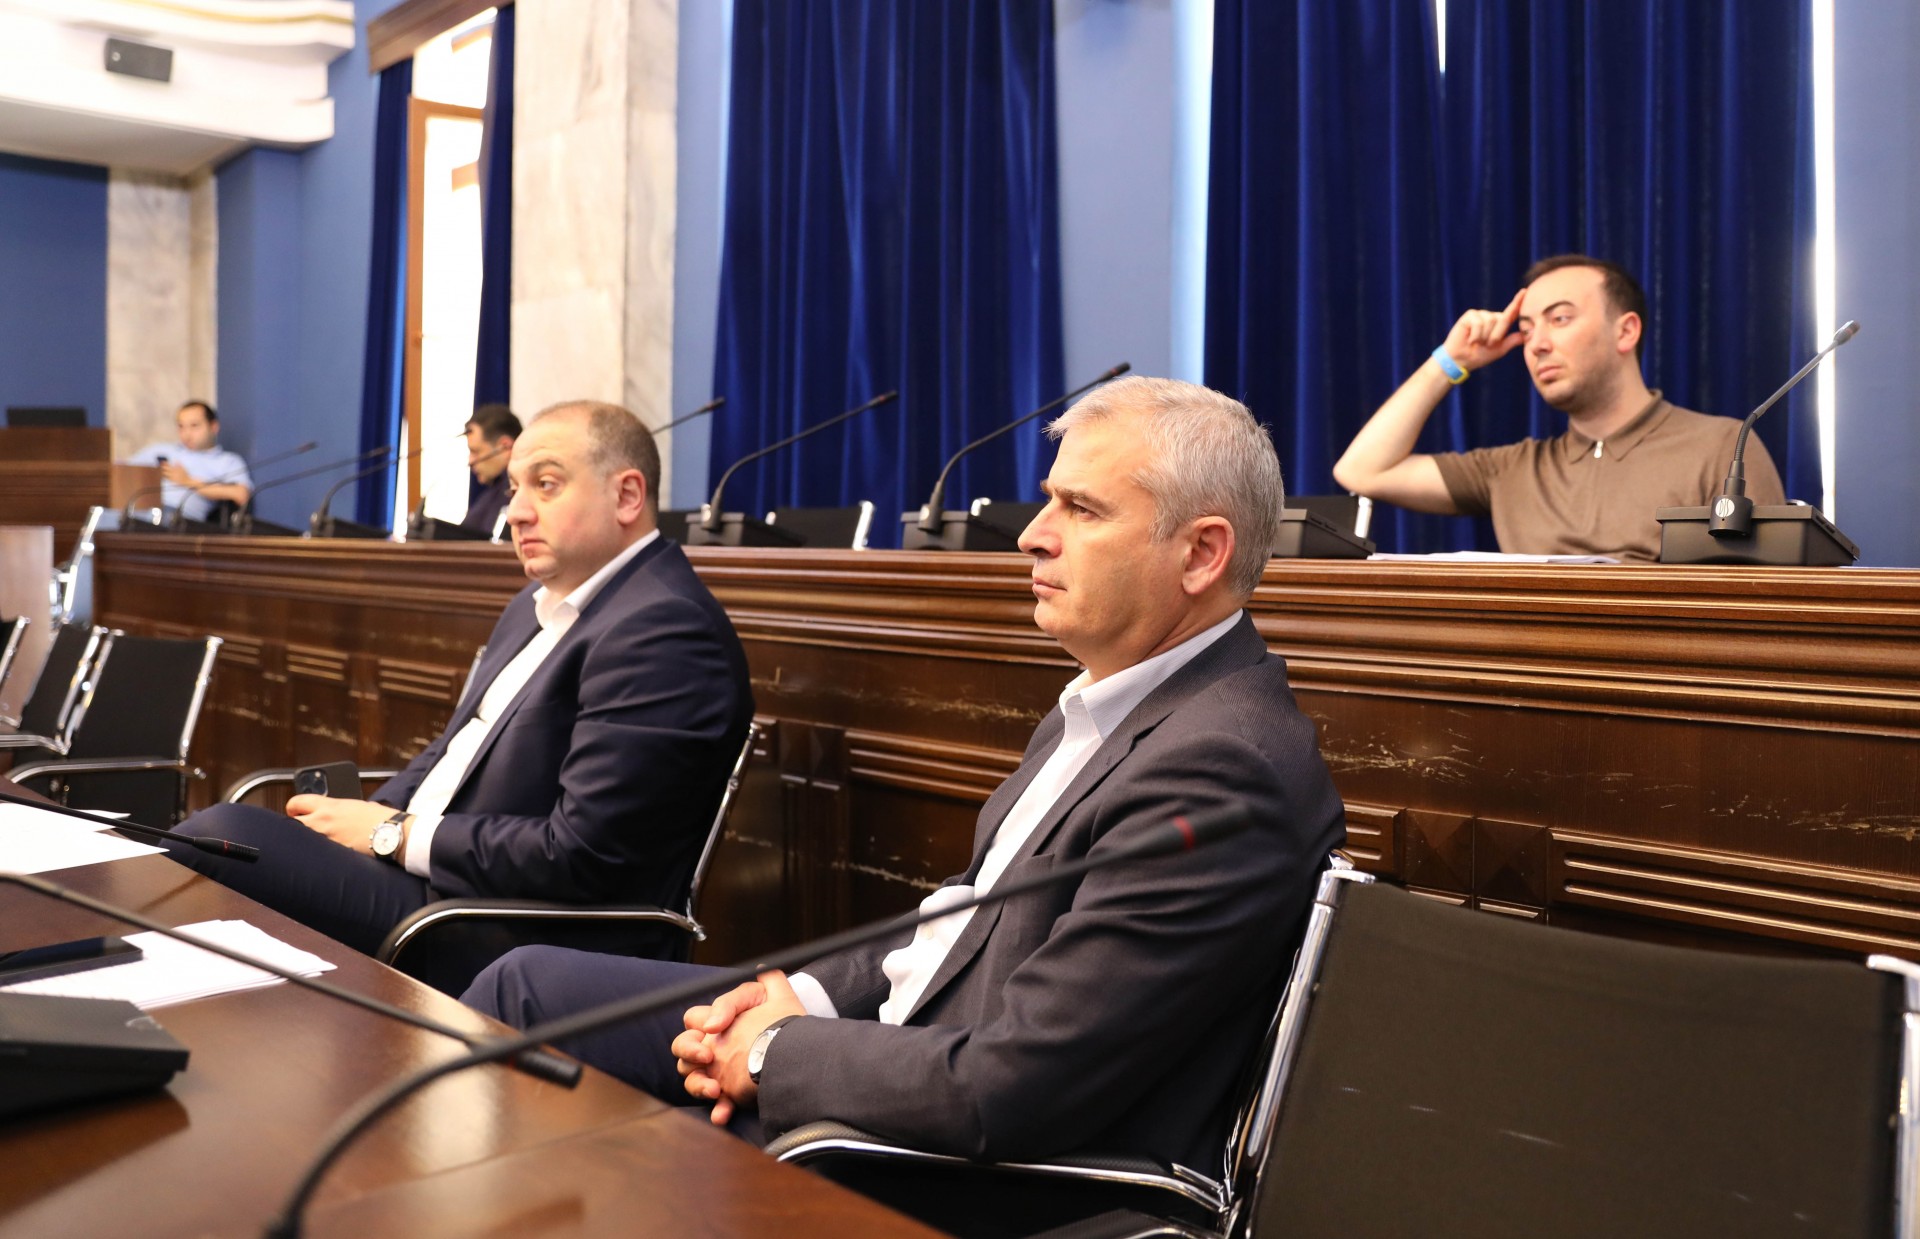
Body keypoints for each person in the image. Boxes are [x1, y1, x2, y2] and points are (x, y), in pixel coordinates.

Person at [464, 376, 1346, 1174]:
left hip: (949, 1163)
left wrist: (772, 1052)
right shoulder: (1113, 697)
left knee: (588, 1149)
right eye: (1049, 500)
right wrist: (797, 995)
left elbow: (1015, 1082)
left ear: (1201, 554)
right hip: (897, 1046)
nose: (1033, 535)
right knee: (524, 986)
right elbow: (963, 920)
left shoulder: (1221, 767)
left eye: (1080, 509)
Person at [166, 400, 754, 989]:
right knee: (222, 841)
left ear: (627, 496)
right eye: (514, 488)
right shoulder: (535, 604)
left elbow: (582, 854)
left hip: (503, 926)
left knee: (220, 835)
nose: (515, 511)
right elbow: (452, 751)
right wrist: (365, 826)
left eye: (546, 485)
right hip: (439, 880)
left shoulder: (664, 629)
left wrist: (392, 835)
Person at [1332, 254, 1786, 562]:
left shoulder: (1723, 447)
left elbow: (1769, 606)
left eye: (1560, 319)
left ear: (1626, 331)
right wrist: (1452, 361)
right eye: (1528, 329)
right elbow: (1362, 470)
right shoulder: (1510, 470)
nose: (1537, 344)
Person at [124, 400, 253, 523]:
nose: (187, 434)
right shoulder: (161, 450)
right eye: (181, 427)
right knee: (114, 513)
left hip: (178, 519)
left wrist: (188, 481)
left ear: (213, 427)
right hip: (140, 507)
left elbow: (241, 495)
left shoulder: (227, 461)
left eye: (194, 426)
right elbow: (122, 470)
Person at [461, 403, 522, 533]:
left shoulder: (516, 495)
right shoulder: (491, 494)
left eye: (476, 451)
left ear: (505, 447)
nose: (470, 461)